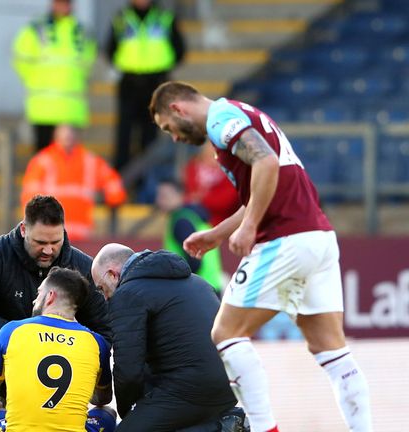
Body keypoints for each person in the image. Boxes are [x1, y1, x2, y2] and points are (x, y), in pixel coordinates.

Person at [149, 81, 373, 432]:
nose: (174, 137)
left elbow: (266, 162)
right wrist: (218, 233)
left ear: (178, 108)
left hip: (285, 239)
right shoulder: (241, 112)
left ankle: (264, 428)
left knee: (225, 333)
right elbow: (265, 182)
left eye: (168, 128)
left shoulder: (221, 120)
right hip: (318, 237)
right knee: (331, 349)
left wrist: (251, 226)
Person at [0, 195, 111, 432]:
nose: (48, 250)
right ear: (24, 230)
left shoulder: (81, 266)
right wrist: (22, 337)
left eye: (55, 241)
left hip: (55, 355)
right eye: (40, 242)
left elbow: (105, 328)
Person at [91, 244, 238, 431]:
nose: (105, 298)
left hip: (190, 389)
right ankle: (218, 425)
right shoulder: (197, 281)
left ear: (112, 274)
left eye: (101, 289)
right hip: (230, 386)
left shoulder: (127, 294)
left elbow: (128, 371)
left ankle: (217, 427)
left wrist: (129, 414)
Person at [0, 267, 117, 432]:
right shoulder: (96, 343)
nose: (34, 300)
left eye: (39, 293)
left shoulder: (11, 331)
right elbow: (103, 399)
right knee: (107, 412)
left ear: (50, 296)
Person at [107, 0, 185, 172]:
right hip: (130, 81)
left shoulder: (165, 17)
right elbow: (110, 49)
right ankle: (121, 176)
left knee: (150, 133)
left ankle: (146, 178)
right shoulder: (121, 18)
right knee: (124, 134)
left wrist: (160, 67)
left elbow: (179, 49)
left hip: (155, 83)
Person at [13, 0, 97, 152]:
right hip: (44, 108)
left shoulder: (82, 31)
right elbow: (21, 59)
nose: (64, 6)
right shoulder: (36, 30)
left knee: (70, 162)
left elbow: (89, 63)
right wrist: (36, 81)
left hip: (71, 109)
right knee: (43, 160)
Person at [20, 124, 127, 241]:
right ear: (55, 137)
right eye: (64, 136)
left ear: (77, 137)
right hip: (52, 234)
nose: (67, 139)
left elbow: (112, 181)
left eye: (70, 135)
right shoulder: (42, 161)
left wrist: (114, 197)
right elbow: (30, 195)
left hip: (80, 234)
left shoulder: (89, 161)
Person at [157, 180, 223, 292]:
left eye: (164, 196)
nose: (159, 200)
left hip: (197, 289)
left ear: (180, 195)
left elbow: (194, 260)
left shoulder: (181, 221)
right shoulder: (194, 216)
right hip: (211, 285)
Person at [182, 144, 240, 226]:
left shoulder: (232, 173)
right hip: (194, 218)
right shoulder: (193, 167)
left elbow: (226, 202)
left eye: (215, 154)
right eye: (207, 153)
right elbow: (188, 195)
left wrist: (201, 199)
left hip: (222, 223)